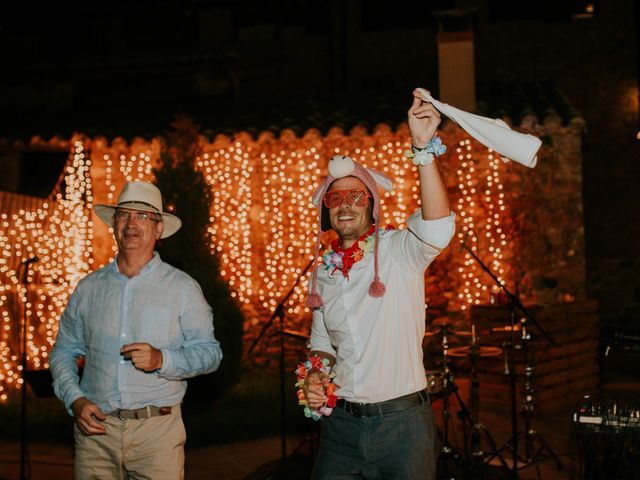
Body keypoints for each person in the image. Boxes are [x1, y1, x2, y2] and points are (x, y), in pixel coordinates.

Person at [302, 89, 456, 479]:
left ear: (371, 204)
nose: (346, 204)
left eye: (356, 195)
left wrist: (422, 149)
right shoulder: (323, 273)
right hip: (341, 428)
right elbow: (322, 343)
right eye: (336, 200)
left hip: (402, 426)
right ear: (327, 212)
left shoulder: (398, 251)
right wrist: (317, 374)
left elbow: (437, 227)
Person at [50, 181, 223, 480]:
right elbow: (63, 351)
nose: (131, 223)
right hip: (96, 435)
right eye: (123, 215)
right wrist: (75, 400)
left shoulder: (182, 288)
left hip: (157, 435)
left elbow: (210, 353)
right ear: (114, 224)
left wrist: (162, 360)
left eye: (142, 217)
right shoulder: (88, 289)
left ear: (158, 230)